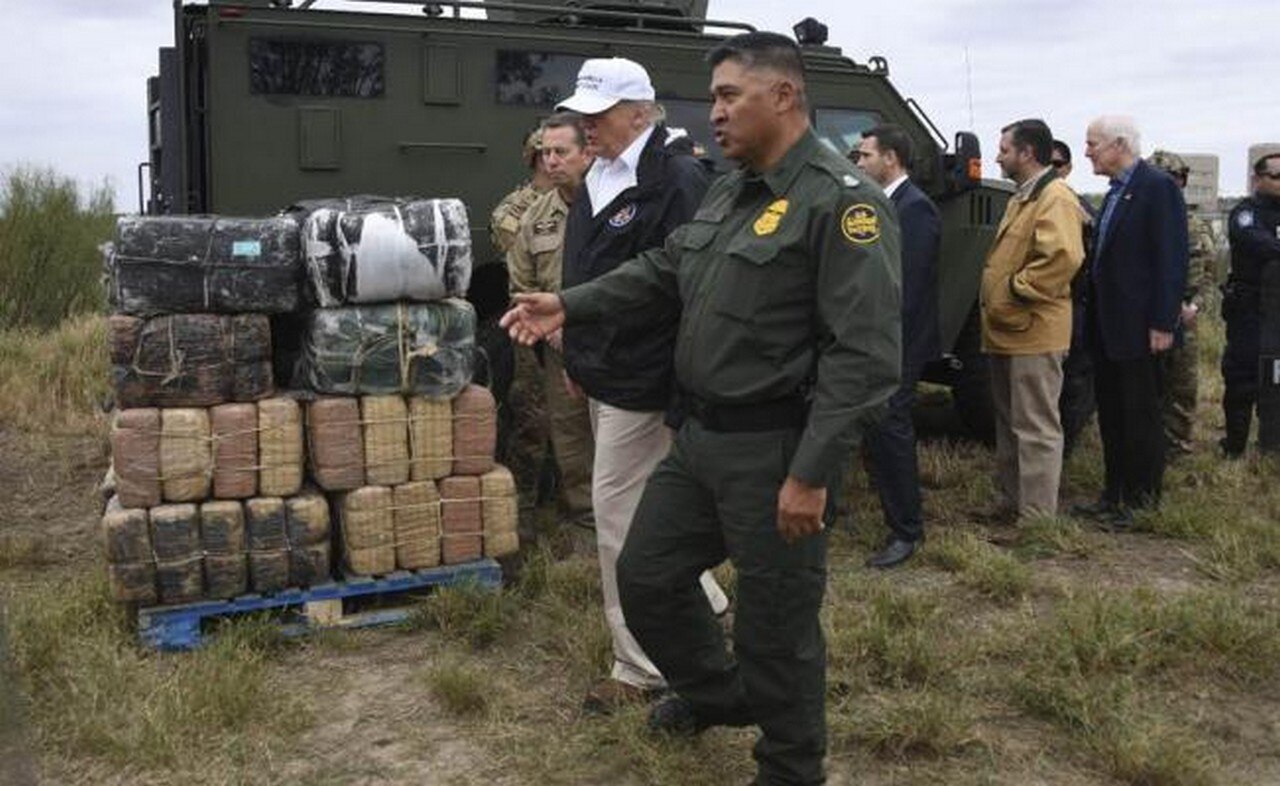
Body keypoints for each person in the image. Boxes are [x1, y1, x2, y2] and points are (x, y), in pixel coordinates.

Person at [502, 32, 901, 786]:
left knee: (776, 625)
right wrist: (569, 304)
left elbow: (865, 357)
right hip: (699, 437)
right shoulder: (732, 188)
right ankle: (724, 696)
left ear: (782, 96)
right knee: (648, 577)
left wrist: (812, 473)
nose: (712, 112)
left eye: (728, 96)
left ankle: (789, 765)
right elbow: (662, 266)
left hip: (775, 444)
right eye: (713, 97)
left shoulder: (842, 203)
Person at [553, 56, 729, 714]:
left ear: (639, 113)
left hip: (647, 379)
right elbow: (584, 278)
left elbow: (687, 286)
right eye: (582, 115)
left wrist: (678, 382)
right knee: (637, 509)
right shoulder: (598, 175)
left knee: (617, 518)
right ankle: (703, 597)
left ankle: (643, 665)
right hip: (606, 374)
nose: (585, 126)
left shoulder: (678, 179)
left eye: (595, 115)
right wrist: (578, 357)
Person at [1075, 116, 1188, 527]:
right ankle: (1114, 494)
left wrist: (1163, 322)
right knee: (1112, 413)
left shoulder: (1156, 188)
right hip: (1108, 328)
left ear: (1118, 144)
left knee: (1140, 415)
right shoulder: (1115, 192)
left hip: (1142, 329)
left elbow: (1170, 261)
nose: (1087, 151)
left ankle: (1141, 502)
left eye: (1092, 144)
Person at [979, 119, 1084, 522]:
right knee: (1009, 424)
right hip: (1008, 331)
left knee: (1036, 427)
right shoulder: (1022, 195)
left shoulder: (1054, 196)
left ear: (1026, 153)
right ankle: (1012, 502)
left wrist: (1016, 291)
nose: (998, 156)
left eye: (1004, 149)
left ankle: (1037, 518)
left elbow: (1063, 257)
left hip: (1034, 331)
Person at [851, 123, 939, 567]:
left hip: (896, 344)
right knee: (874, 430)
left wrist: (879, 343)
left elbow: (908, 288)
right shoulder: (880, 204)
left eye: (865, 155)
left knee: (892, 431)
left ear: (891, 158)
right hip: (872, 341)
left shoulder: (915, 208)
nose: (859, 162)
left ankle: (907, 530)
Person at [506, 113, 597, 522]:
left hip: (614, 340)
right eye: (545, 154)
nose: (551, 162)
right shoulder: (534, 218)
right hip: (559, 345)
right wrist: (553, 329)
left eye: (561, 152)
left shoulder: (613, 204)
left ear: (587, 153)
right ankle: (584, 515)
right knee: (569, 430)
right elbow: (520, 284)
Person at [492, 127, 554, 511]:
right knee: (530, 416)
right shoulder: (515, 210)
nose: (552, 162)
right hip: (532, 321)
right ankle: (524, 505)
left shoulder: (585, 201)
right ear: (534, 159)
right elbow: (514, 250)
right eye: (545, 154)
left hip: (574, 317)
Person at [1147, 149, 1215, 457]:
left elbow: (1211, 278)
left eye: (1172, 179)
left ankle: (1176, 445)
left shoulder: (1197, 227)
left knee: (1182, 384)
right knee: (1146, 383)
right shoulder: (1140, 221)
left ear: (1182, 181)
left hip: (1184, 316)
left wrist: (1195, 307)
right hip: (1145, 315)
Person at [1220, 152, 1280, 456]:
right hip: (1249, 310)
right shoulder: (1246, 213)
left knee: (1276, 377)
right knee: (1242, 378)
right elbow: (1260, 244)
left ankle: (1271, 446)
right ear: (1258, 179)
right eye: (1277, 176)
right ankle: (1234, 447)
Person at [1051, 140, 1098, 458]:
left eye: (1057, 165)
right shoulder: (1021, 202)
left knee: (1073, 381)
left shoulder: (1078, 207)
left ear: (1067, 169)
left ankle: (1065, 447)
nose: (1051, 171)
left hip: (1073, 304)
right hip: (1040, 311)